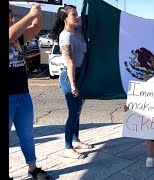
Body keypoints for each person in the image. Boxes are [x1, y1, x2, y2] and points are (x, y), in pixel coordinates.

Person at [9, 6, 51, 180]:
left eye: (11, 18)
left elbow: (36, 27)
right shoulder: (12, 35)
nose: (11, 21)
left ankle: (33, 168)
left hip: (23, 94)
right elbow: (10, 34)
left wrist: (38, 12)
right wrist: (30, 15)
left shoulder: (18, 38)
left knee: (27, 134)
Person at [50, 4, 93, 159]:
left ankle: (75, 140)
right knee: (73, 113)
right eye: (73, 15)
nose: (76, 17)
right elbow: (69, 62)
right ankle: (67, 147)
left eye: (76, 14)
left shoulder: (77, 30)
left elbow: (87, 16)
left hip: (80, 75)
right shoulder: (66, 36)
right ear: (65, 18)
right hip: (70, 76)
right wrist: (74, 84)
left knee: (78, 111)